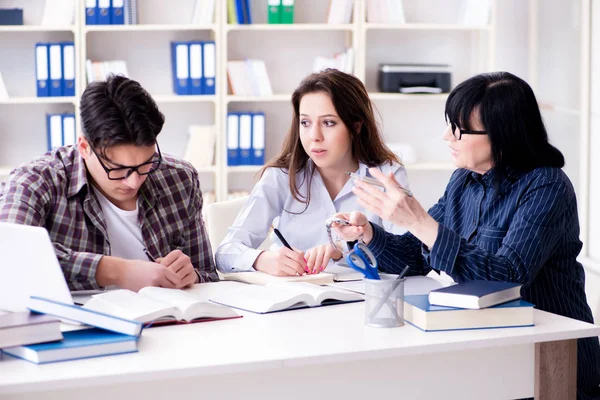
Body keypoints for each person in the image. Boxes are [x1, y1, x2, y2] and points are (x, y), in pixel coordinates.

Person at [331, 71, 600, 399]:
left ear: (501, 134)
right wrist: (369, 233)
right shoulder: (464, 180)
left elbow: (508, 278)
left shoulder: (547, 186)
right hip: (486, 342)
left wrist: (418, 220)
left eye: (458, 129)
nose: (447, 136)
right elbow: (415, 257)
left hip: (550, 358)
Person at [0, 75, 218, 291]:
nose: (133, 182)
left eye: (146, 164)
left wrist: (193, 277)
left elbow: (209, 276)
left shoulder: (179, 178)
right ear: (84, 147)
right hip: (75, 324)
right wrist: (116, 271)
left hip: (167, 323)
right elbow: (9, 254)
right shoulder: (36, 180)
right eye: (118, 169)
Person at [215, 69, 409, 276]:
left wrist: (343, 251)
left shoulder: (386, 176)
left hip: (362, 301)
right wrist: (262, 259)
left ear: (356, 125)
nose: (314, 136)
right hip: (293, 301)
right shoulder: (281, 176)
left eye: (328, 123)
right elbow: (225, 253)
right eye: (305, 123)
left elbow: (410, 258)